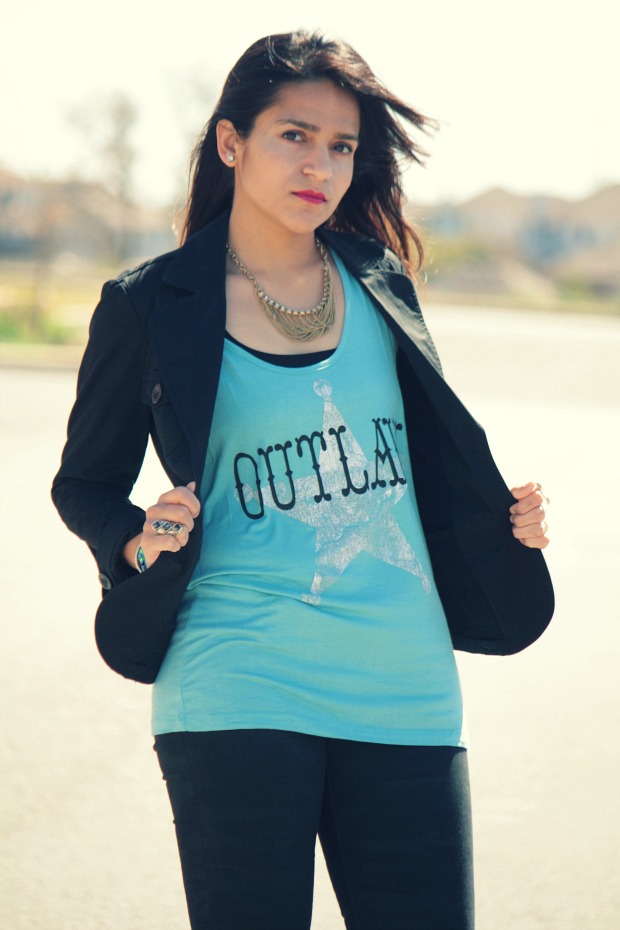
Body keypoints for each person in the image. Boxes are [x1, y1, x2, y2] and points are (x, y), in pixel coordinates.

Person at [52, 30, 553, 930]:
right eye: (295, 135)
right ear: (231, 142)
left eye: (342, 145)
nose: (320, 165)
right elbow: (83, 481)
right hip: (234, 671)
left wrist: (500, 518)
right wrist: (137, 541)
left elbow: (422, 459)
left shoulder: (380, 283)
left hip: (404, 680)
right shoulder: (150, 303)